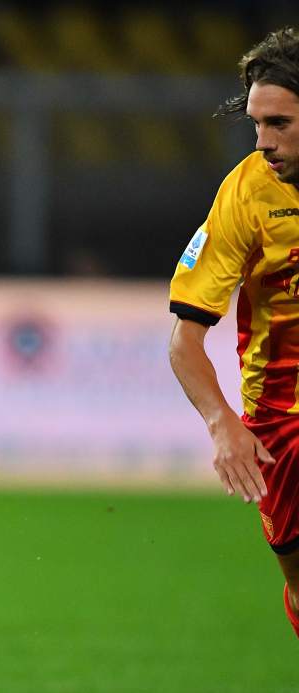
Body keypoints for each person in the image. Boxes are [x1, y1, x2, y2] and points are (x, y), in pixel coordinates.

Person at [169, 27, 299, 637]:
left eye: (280, 124)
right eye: (256, 125)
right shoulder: (247, 193)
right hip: (281, 421)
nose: (264, 142)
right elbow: (184, 340)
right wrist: (222, 422)